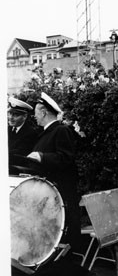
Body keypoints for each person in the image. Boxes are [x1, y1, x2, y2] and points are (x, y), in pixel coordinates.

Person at [27, 92, 81, 252]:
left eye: (36, 112)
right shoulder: (46, 133)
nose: (34, 117)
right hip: (49, 193)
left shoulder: (61, 130)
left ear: (44, 112)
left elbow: (66, 158)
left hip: (61, 192)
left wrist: (42, 157)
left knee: (62, 232)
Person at [7, 97, 38, 173]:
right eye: (10, 113)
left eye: (15, 115)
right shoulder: (7, 129)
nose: (11, 118)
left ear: (24, 116)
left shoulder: (31, 133)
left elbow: (20, 153)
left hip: (18, 171)